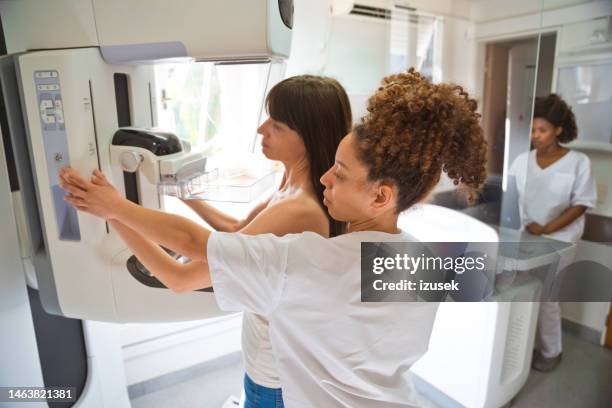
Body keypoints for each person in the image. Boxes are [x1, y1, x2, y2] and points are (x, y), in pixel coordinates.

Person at [60, 68, 488, 407]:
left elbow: (185, 262)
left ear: (380, 196)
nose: (325, 177)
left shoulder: (311, 260)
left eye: (338, 174)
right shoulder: (421, 257)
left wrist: (112, 209)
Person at [509, 93, 597, 372]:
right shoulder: (523, 160)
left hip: (559, 240)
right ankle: (516, 352)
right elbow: (510, 196)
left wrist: (547, 228)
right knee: (518, 294)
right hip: (524, 237)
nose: (536, 135)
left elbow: (582, 203)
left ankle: (551, 351)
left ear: (559, 130)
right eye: (533, 129)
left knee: (547, 296)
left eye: (543, 130)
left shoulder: (577, 162)